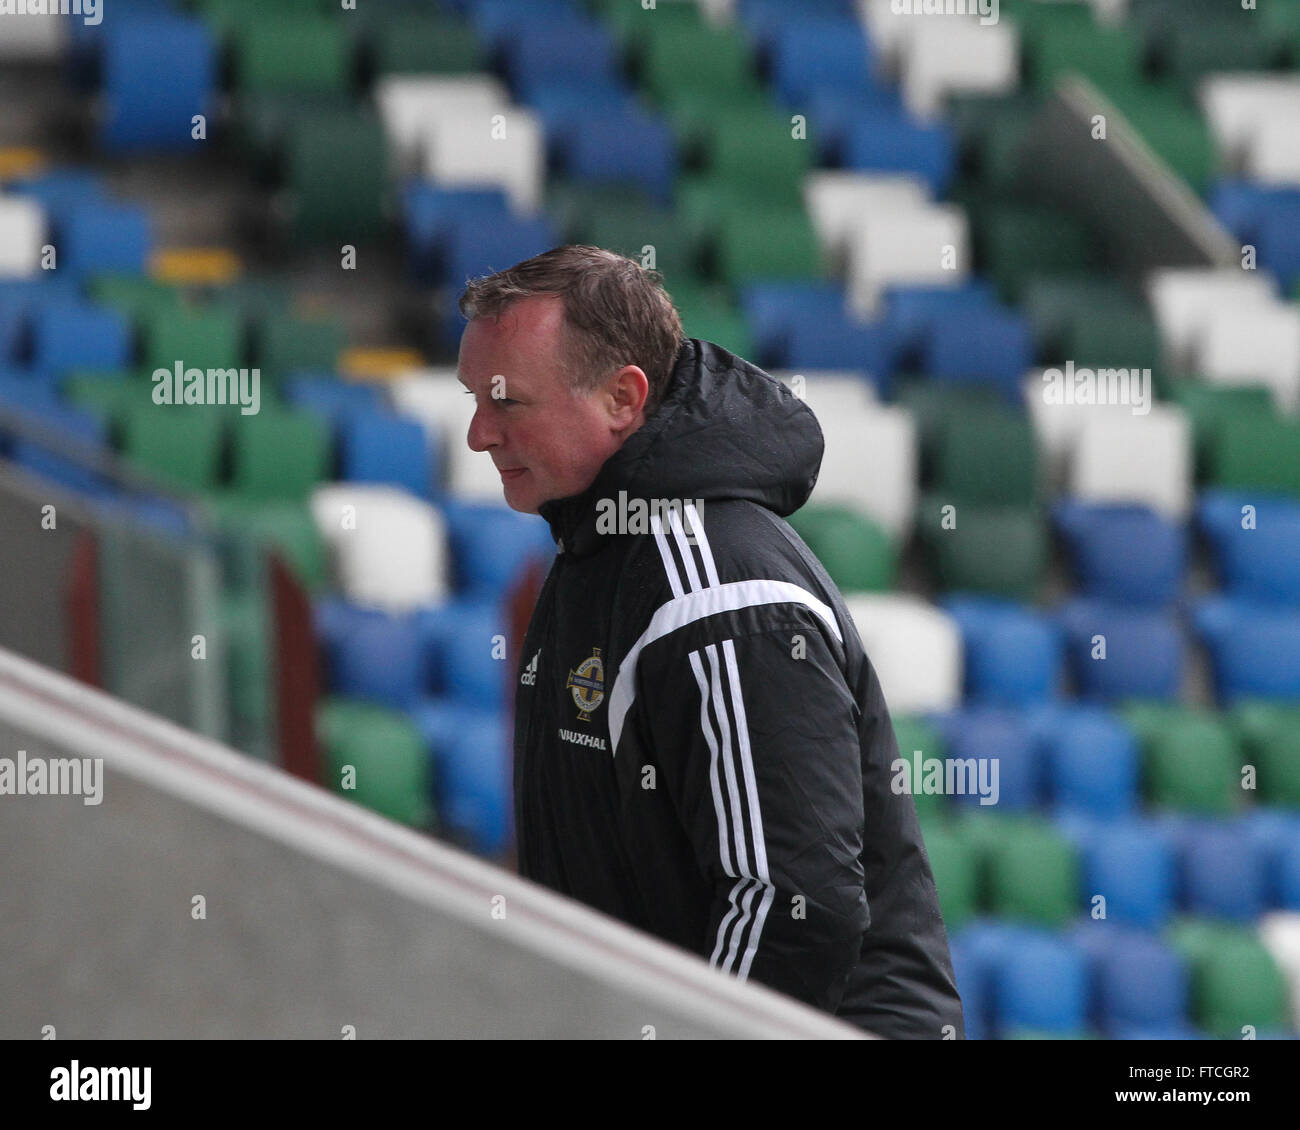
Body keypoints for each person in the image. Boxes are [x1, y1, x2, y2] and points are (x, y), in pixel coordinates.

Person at [457, 245, 964, 1039]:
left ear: (623, 399)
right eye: (472, 400)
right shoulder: (604, 545)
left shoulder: (713, 587)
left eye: (506, 403)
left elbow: (792, 905)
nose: (477, 435)